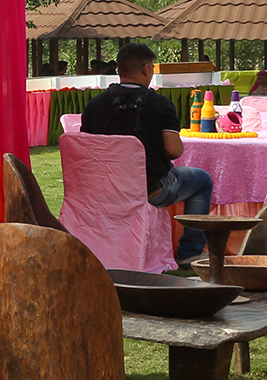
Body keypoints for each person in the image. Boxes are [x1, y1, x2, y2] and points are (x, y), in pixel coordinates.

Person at [79, 42, 213, 264]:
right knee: (202, 180)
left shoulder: (95, 105)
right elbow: (173, 150)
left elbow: (87, 147)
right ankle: (191, 252)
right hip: (151, 189)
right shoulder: (160, 104)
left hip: (105, 188)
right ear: (146, 69)